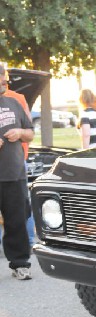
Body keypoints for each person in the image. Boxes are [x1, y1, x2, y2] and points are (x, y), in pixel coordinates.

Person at [0, 63, 35, 280]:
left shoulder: (14, 102)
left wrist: (20, 131)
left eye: (3, 76)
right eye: (0, 77)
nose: (4, 80)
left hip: (14, 173)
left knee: (16, 221)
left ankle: (20, 264)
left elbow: (30, 133)